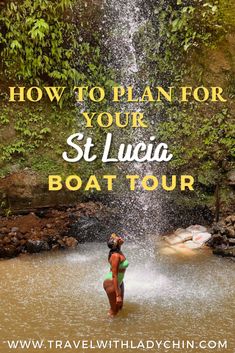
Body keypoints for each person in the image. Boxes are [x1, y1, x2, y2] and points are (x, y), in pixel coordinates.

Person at [103, 233, 129, 317]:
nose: (121, 238)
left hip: (119, 282)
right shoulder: (115, 256)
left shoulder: (118, 252)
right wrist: (118, 295)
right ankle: (106, 326)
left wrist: (118, 242)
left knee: (120, 307)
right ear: (116, 243)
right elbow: (114, 275)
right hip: (112, 282)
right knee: (114, 310)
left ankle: (118, 328)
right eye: (118, 238)